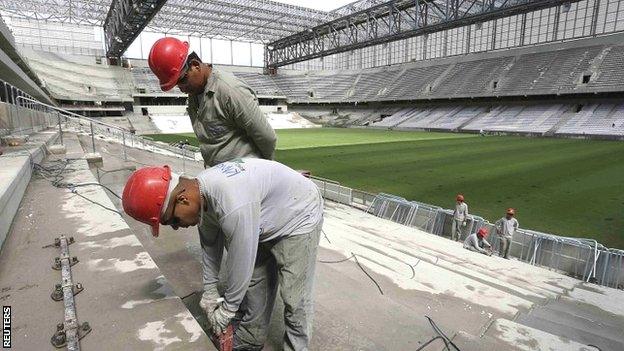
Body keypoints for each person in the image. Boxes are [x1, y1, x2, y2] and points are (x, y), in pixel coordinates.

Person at [122, 158, 323, 351]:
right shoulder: (201, 193)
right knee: (255, 282)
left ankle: (297, 347)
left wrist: (227, 311)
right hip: (262, 212)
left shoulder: (231, 202)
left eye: (173, 220)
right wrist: (210, 292)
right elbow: (210, 246)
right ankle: (252, 338)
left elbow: (240, 260)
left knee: (295, 299)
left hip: (298, 215)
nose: (176, 227)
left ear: (182, 199)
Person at [148, 37, 277, 167]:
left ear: (195, 65)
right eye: (176, 84)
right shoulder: (194, 93)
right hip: (218, 176)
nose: (181, 88)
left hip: (244, 176)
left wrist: (264, 170)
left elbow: (267, 137)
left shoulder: (231, 91)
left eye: (182, 80)